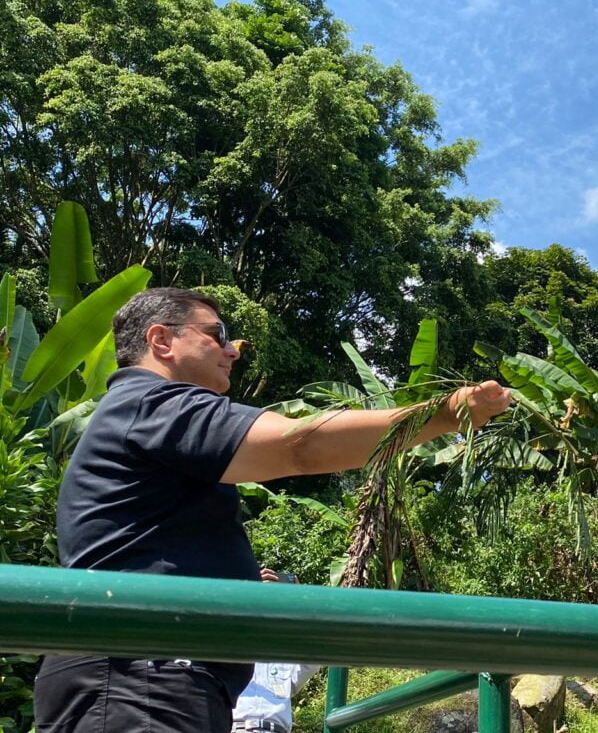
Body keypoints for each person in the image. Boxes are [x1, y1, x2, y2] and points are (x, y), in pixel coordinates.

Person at [33, 287, 512, 733]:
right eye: (217, 334)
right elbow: (299, 447)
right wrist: (444, 414)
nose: (233, 350)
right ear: (161, 340)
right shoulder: (153, 403)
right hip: (140, 677)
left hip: (146, 675)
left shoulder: (138, 413)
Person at [232, 569, 318, 733]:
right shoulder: (230, 647)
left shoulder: (283, 655)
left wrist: (302, 601)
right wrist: (245, 592)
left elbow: (313, 656)